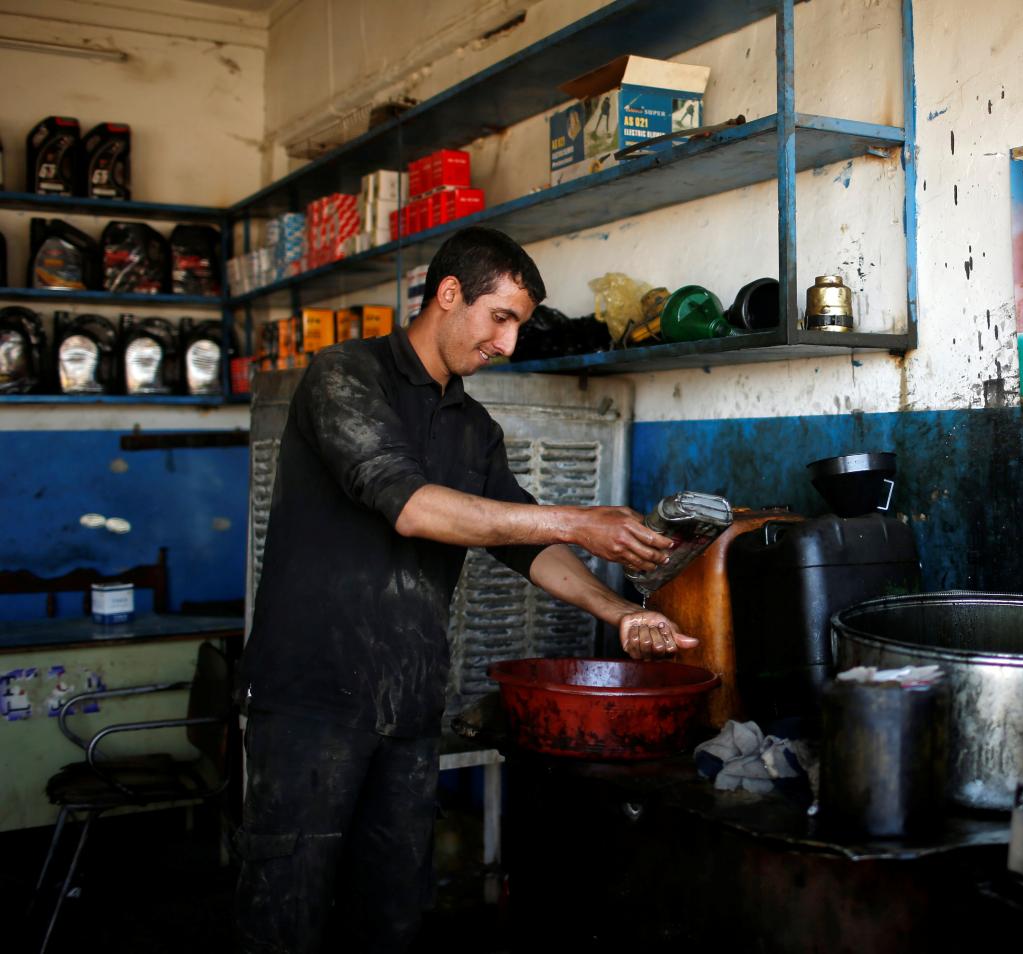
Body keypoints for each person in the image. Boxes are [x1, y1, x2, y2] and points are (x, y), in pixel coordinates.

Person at [234, 226, 694, 953]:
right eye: (500, 318)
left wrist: (619, 612)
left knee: (389, 916)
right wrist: (579, 518)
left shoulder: (475, 430)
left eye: (518, 324)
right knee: (286, 914)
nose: (507, 344)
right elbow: (413, 506)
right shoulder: (344, 377)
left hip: (410, 705)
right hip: (311, 702)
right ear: (448, 294)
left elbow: (526, 546)